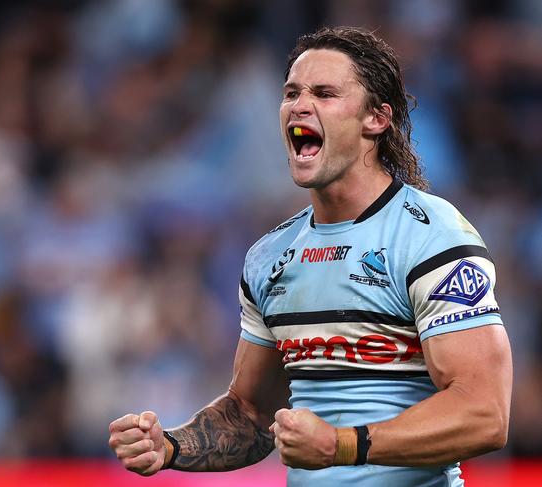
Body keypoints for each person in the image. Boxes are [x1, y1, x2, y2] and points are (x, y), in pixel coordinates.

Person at [108, 26, 512, 485]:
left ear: (376, 119)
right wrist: (171, 446)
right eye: (292, 92)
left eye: (324, 93)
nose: (300, 105)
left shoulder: (431, 238)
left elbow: (485, 413)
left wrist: (343, 445)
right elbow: (251, 413)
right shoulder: (269, 257)